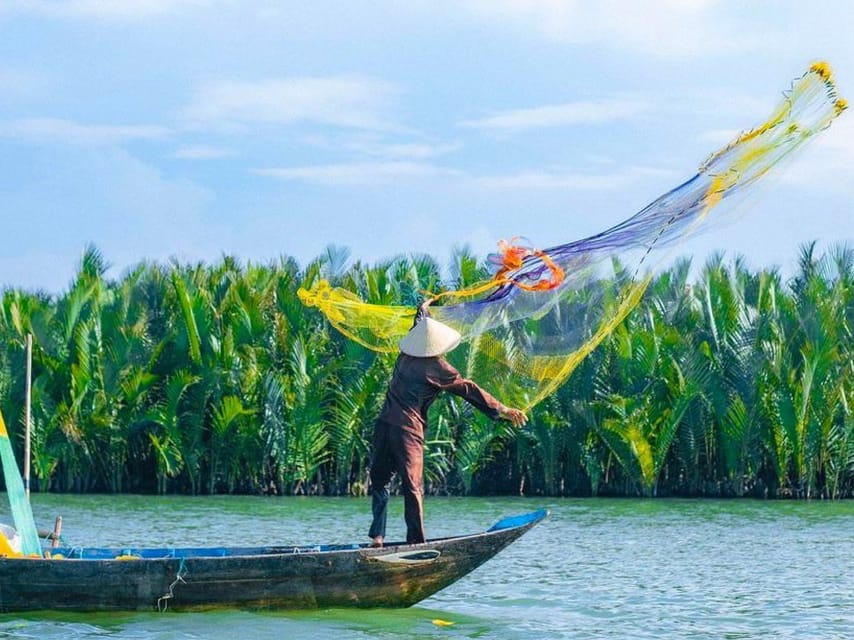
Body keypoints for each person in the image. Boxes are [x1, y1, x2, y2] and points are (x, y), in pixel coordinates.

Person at [368, 305, 527, 547]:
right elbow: (469, 389)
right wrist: (502, 409)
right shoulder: (438, 368)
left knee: (380, 482)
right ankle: (416, 544)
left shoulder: (406, 354)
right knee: (413, 487)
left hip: (383, 425)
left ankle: (378, 537)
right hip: (407, 431)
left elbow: (419, 325)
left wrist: (423, 309)